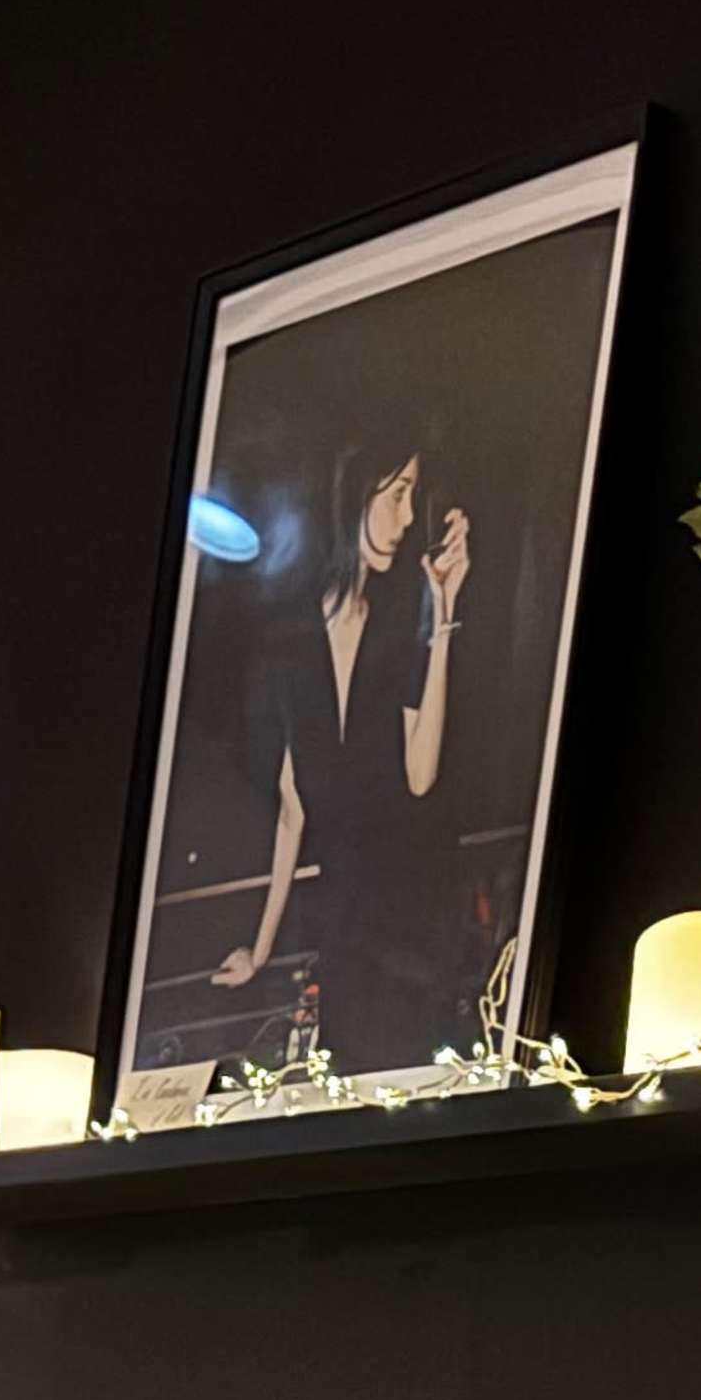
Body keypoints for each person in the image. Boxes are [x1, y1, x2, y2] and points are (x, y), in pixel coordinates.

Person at [211, 442, 475, 1069]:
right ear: (356, 497)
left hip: (412, 910)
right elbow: (291, 811)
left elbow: (420, 774)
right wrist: (260, 948)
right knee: (350, 1076)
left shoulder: (395, 627)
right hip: (344, 920)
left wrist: (443, 623)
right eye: (397, 495)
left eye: (412, 496)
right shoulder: (290, 643)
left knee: (403, 1077)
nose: (408, 518)